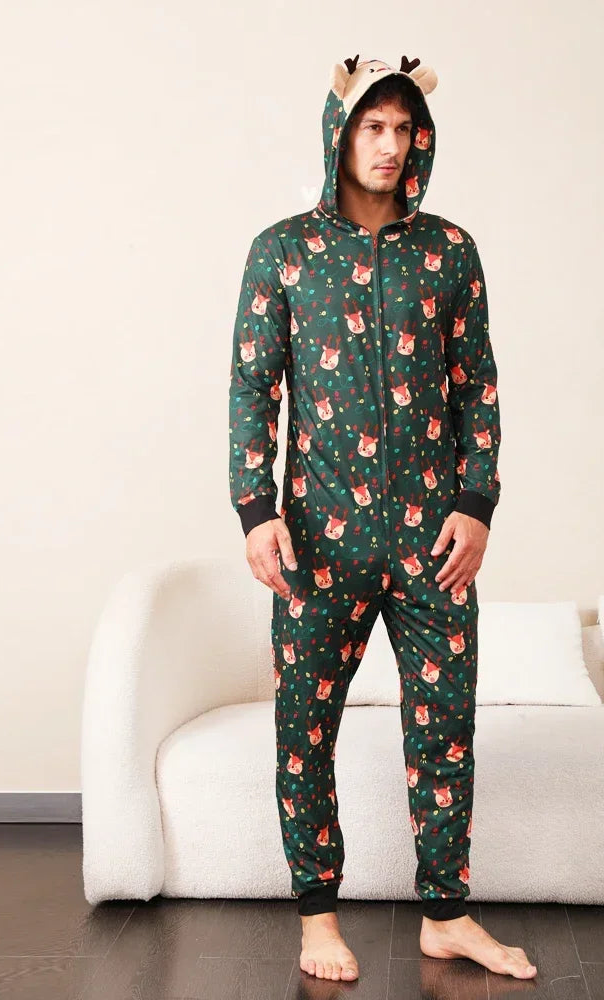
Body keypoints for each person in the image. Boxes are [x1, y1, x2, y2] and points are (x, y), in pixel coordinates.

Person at [228, 54, 537, 983]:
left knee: (444, 728)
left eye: (405, 128)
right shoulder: (282, 251)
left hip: (433, 540)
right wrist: (256, 511)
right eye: (373, 126)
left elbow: (477, 385)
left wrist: (476, 504)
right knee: (305, 729)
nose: (390, 144)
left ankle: (446, 915)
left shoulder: (450, 250)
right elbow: (253, 386)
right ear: (340, 132)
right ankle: (318, 919)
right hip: (318, 539)